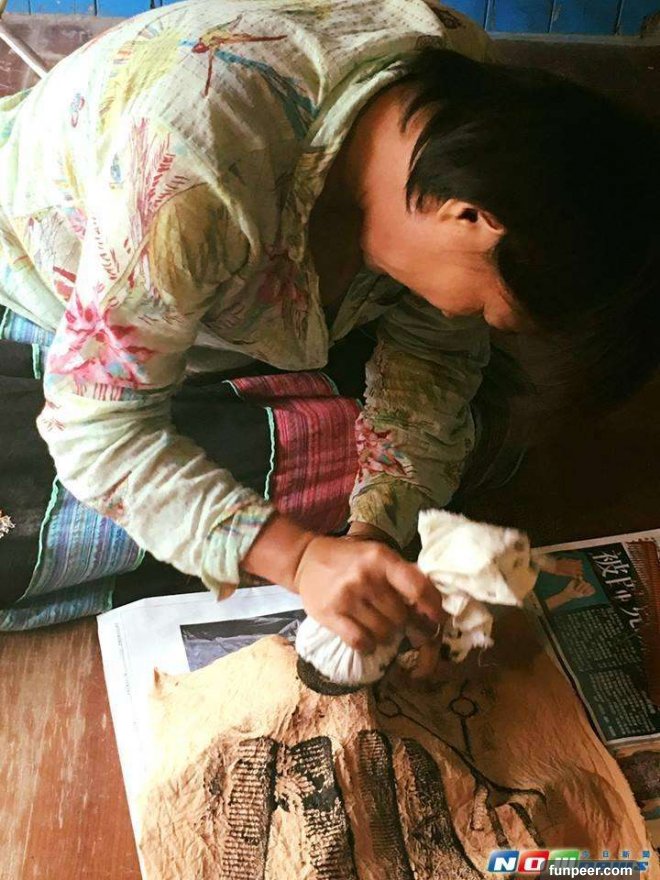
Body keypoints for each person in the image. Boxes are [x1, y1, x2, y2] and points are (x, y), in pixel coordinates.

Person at [0, 0, 657, 643]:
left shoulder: (469, 114)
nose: (472, 318)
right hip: (53, 299)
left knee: (451, 444)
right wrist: (298, 559)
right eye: (488, 309)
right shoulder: (190, 174)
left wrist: (371, 540)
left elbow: (436, 356)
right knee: (56, 510)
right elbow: (98, 433)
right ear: (469, 218)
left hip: (221, 312)